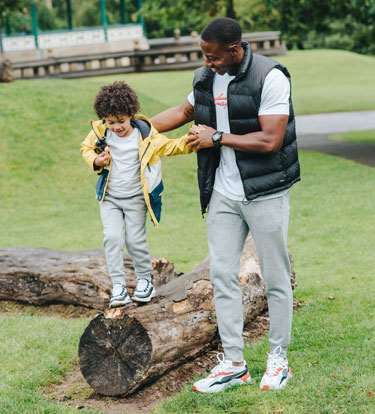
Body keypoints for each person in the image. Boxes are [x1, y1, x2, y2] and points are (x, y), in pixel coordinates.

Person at [150, 17, 300, 392]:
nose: (207, 63)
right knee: (221, 275)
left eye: (213, 57)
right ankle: (234, 364)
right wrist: (130, 129)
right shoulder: (205, 78)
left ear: (235, 50)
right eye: (204, 56)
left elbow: (271, 141)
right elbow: (181, 114)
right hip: (222, 192)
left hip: (264, 191)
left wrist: (216, 136)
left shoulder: (271, 77)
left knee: (276, 277)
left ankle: (278, 360)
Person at [81, 81, 192, 308]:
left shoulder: (146, 136)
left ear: (131, 115)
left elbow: (171, 147)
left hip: (135, 199)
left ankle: (144, 281)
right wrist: (96, 159)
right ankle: (119, 287)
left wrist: (190, 140)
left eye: (121, 121)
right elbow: (86, 148)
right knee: (112, 239)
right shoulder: (100, 132)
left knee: (134, 240)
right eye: (110, 122)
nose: (116, 127)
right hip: (110, 198)